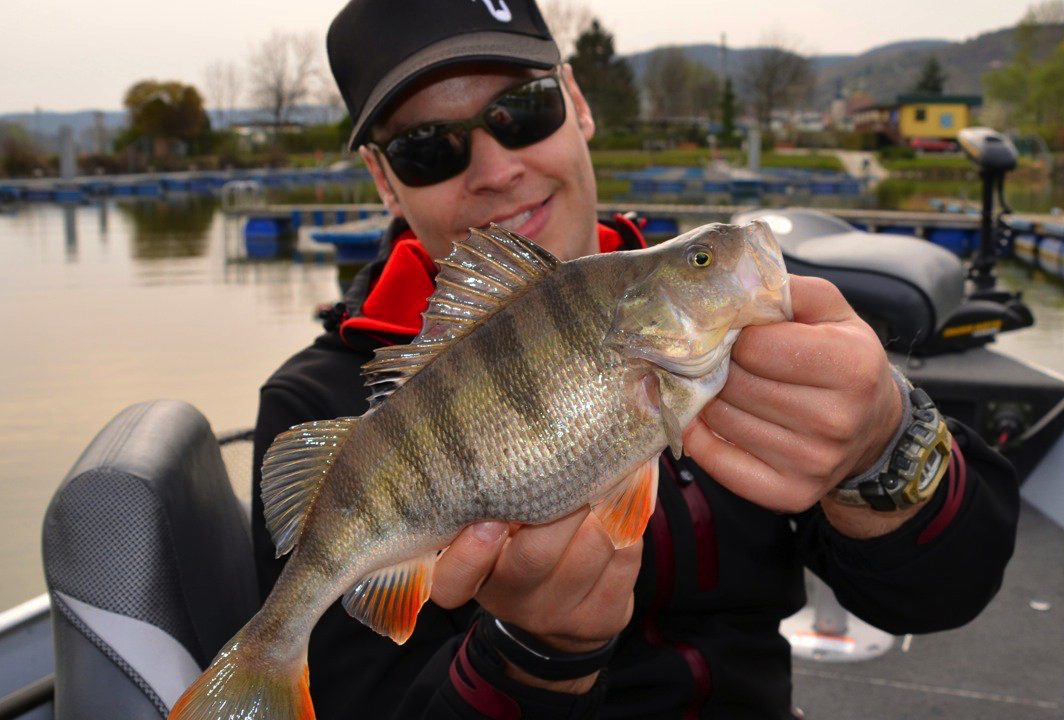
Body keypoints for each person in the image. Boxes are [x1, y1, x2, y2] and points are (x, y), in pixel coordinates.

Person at [251, 1, 1019, 717]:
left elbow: (947, 593)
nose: (495, 168)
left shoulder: (721, 331)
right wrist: (535, 654)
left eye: (522, 111)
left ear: (577, 103)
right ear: (385, 181)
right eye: (428, 149)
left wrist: (882, 444)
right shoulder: (322, 398)